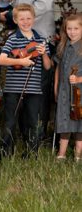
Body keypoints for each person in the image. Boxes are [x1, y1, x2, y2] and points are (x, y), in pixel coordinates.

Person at [8, 0, 56, 140]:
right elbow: (13, 2)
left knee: (39, 91)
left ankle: (38, 137)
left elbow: (44, 5)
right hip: (20, 41)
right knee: (23, 89)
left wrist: (16, 17)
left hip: (40, 40)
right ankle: (26, 136)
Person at [0, 4, 51, 158]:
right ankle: (5, 153)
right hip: (13, 89)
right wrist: (21, 62)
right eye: (22, 19)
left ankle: (31, 153)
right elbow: (1, 60)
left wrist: (43, 54)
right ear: (15, 20)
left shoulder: (40, 40)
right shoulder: (13, 38)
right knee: (10, 122)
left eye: (29, 18)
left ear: (34, 19)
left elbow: (47, 66)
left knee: (33, 122)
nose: (26, 21)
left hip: (34, 89)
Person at [54, 13, 82, 162]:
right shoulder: (63, 46)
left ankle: (78, 155)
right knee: (63, 121)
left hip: (79, 93)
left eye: (76, 28)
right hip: (64, 92)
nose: (72, 32)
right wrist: (56, 87)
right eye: (69, 28)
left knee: (79, 123)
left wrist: (78, 78)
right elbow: (58, 68)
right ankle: (61, 154)